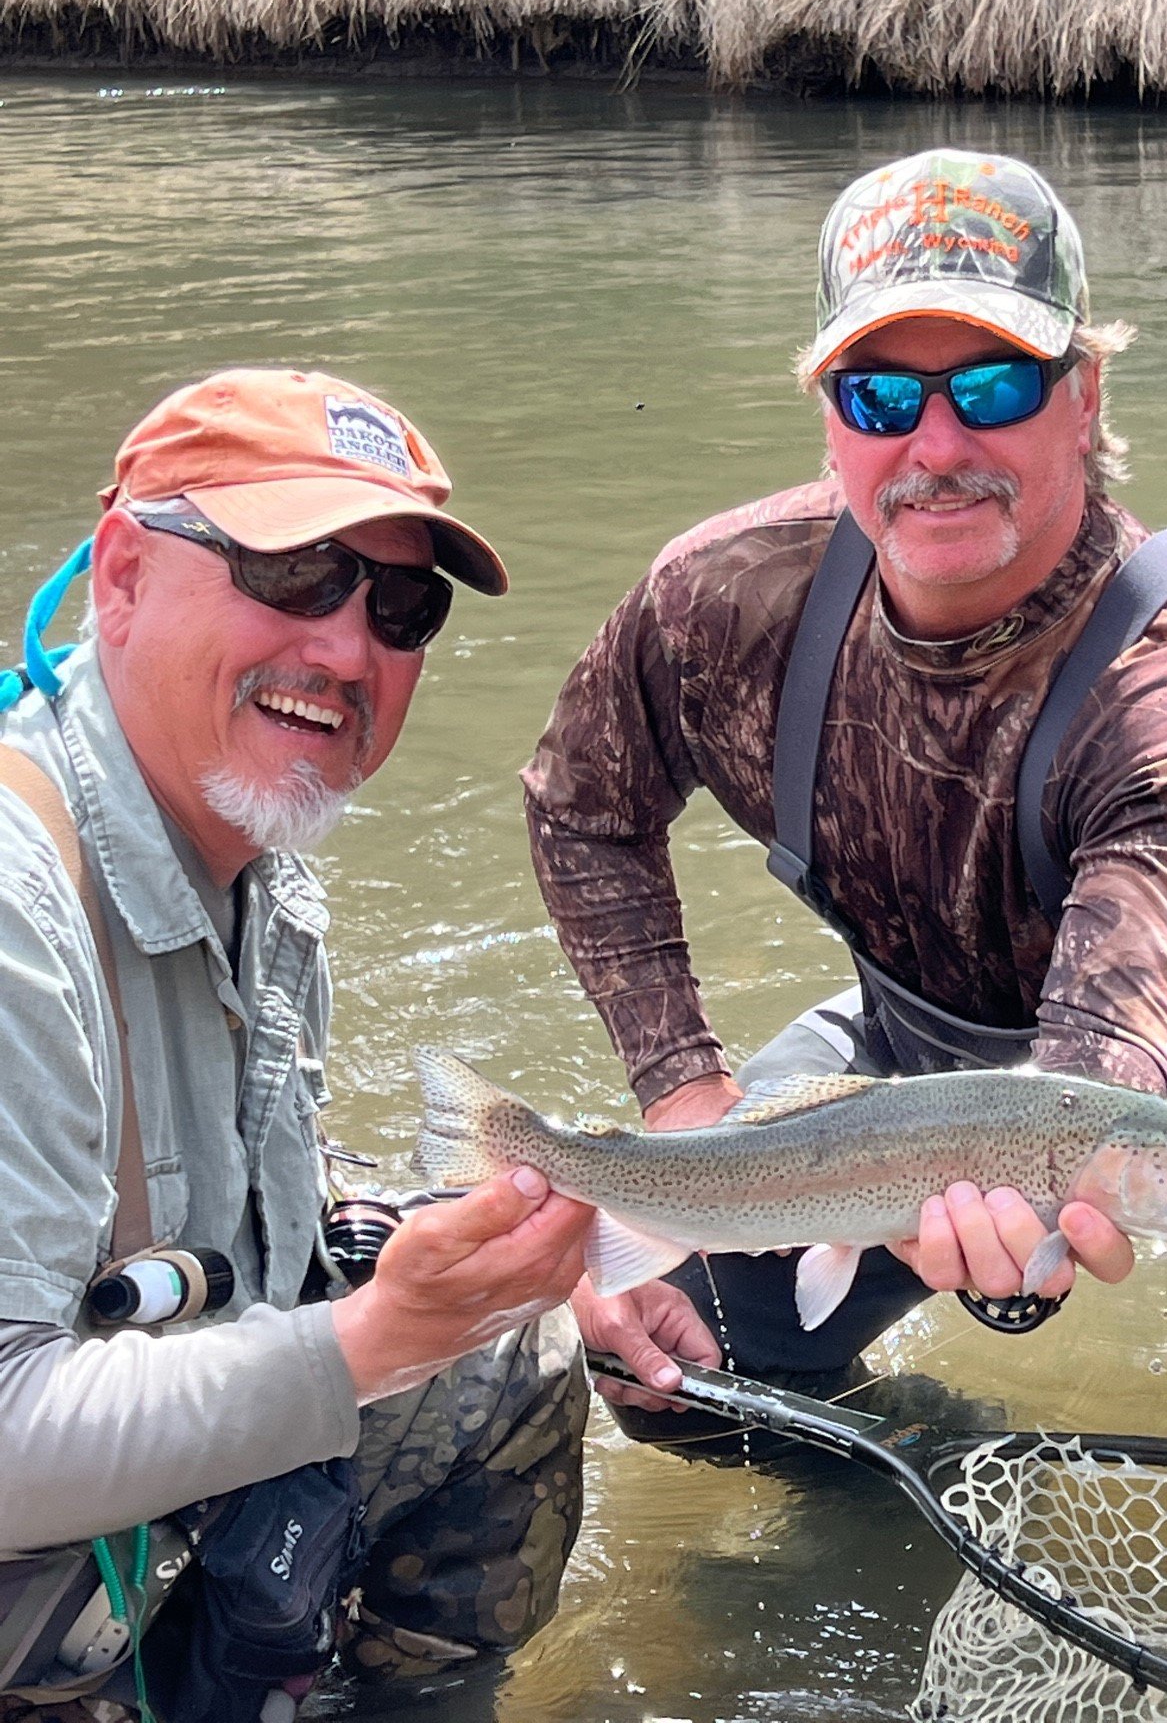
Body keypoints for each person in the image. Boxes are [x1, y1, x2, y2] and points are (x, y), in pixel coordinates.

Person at [524, 148, 1167, 1486]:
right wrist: (684, 1094)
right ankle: (908, 1487)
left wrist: (1017, 1254)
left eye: (992, 386)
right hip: (933, 1066)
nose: (936, 448)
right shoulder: (721, 604)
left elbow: (1100, 1082)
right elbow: (582, 812)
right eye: (882, 394)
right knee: (663, 1353)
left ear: (1083, 394)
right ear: (831, 416)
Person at [0, 367, 711, 1719]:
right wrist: (377, 1339)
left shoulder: (254, 859)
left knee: (510, 1360)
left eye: (399, 607)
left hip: (127, 1508)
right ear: (123, 576)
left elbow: (249, 1211)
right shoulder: (12, 907)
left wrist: (501, 1263)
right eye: (291, 574)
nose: (346, 650)